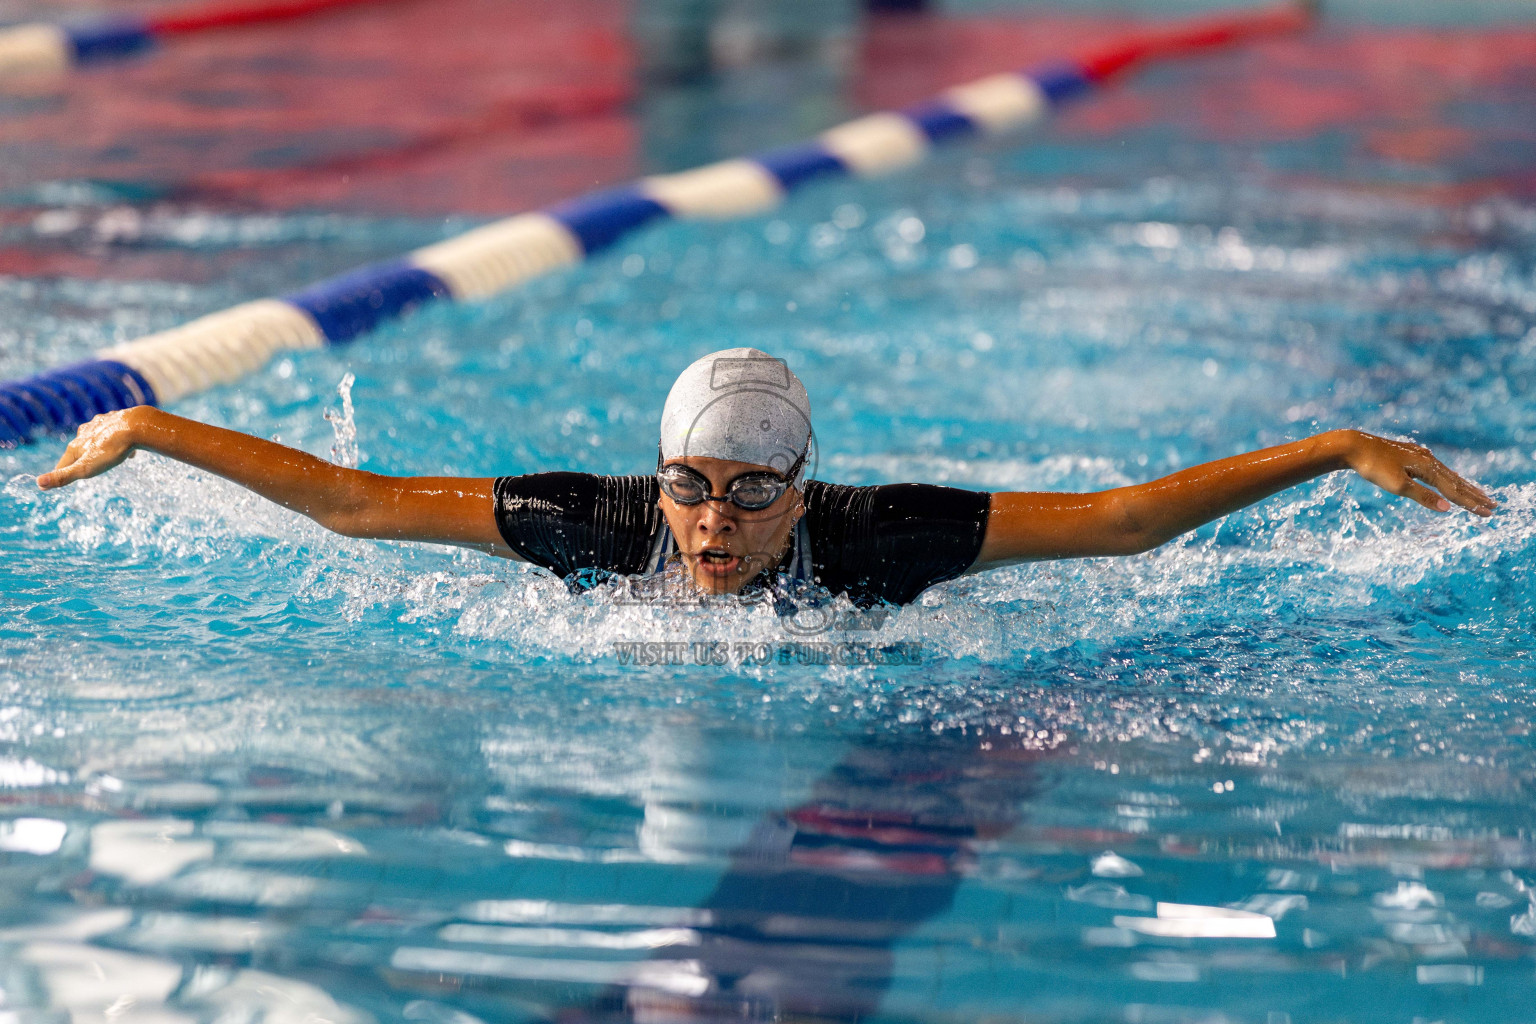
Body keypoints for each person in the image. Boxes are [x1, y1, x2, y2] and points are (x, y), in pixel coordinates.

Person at [36, 347, 1495, 606]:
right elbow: (358, 498)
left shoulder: (875, 544)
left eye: (746, 493)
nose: (709, 523)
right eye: (687, 486)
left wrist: (1334, 448)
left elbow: (1120, 526)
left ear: (803, 493)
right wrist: (152, 426)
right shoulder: (594, 528)